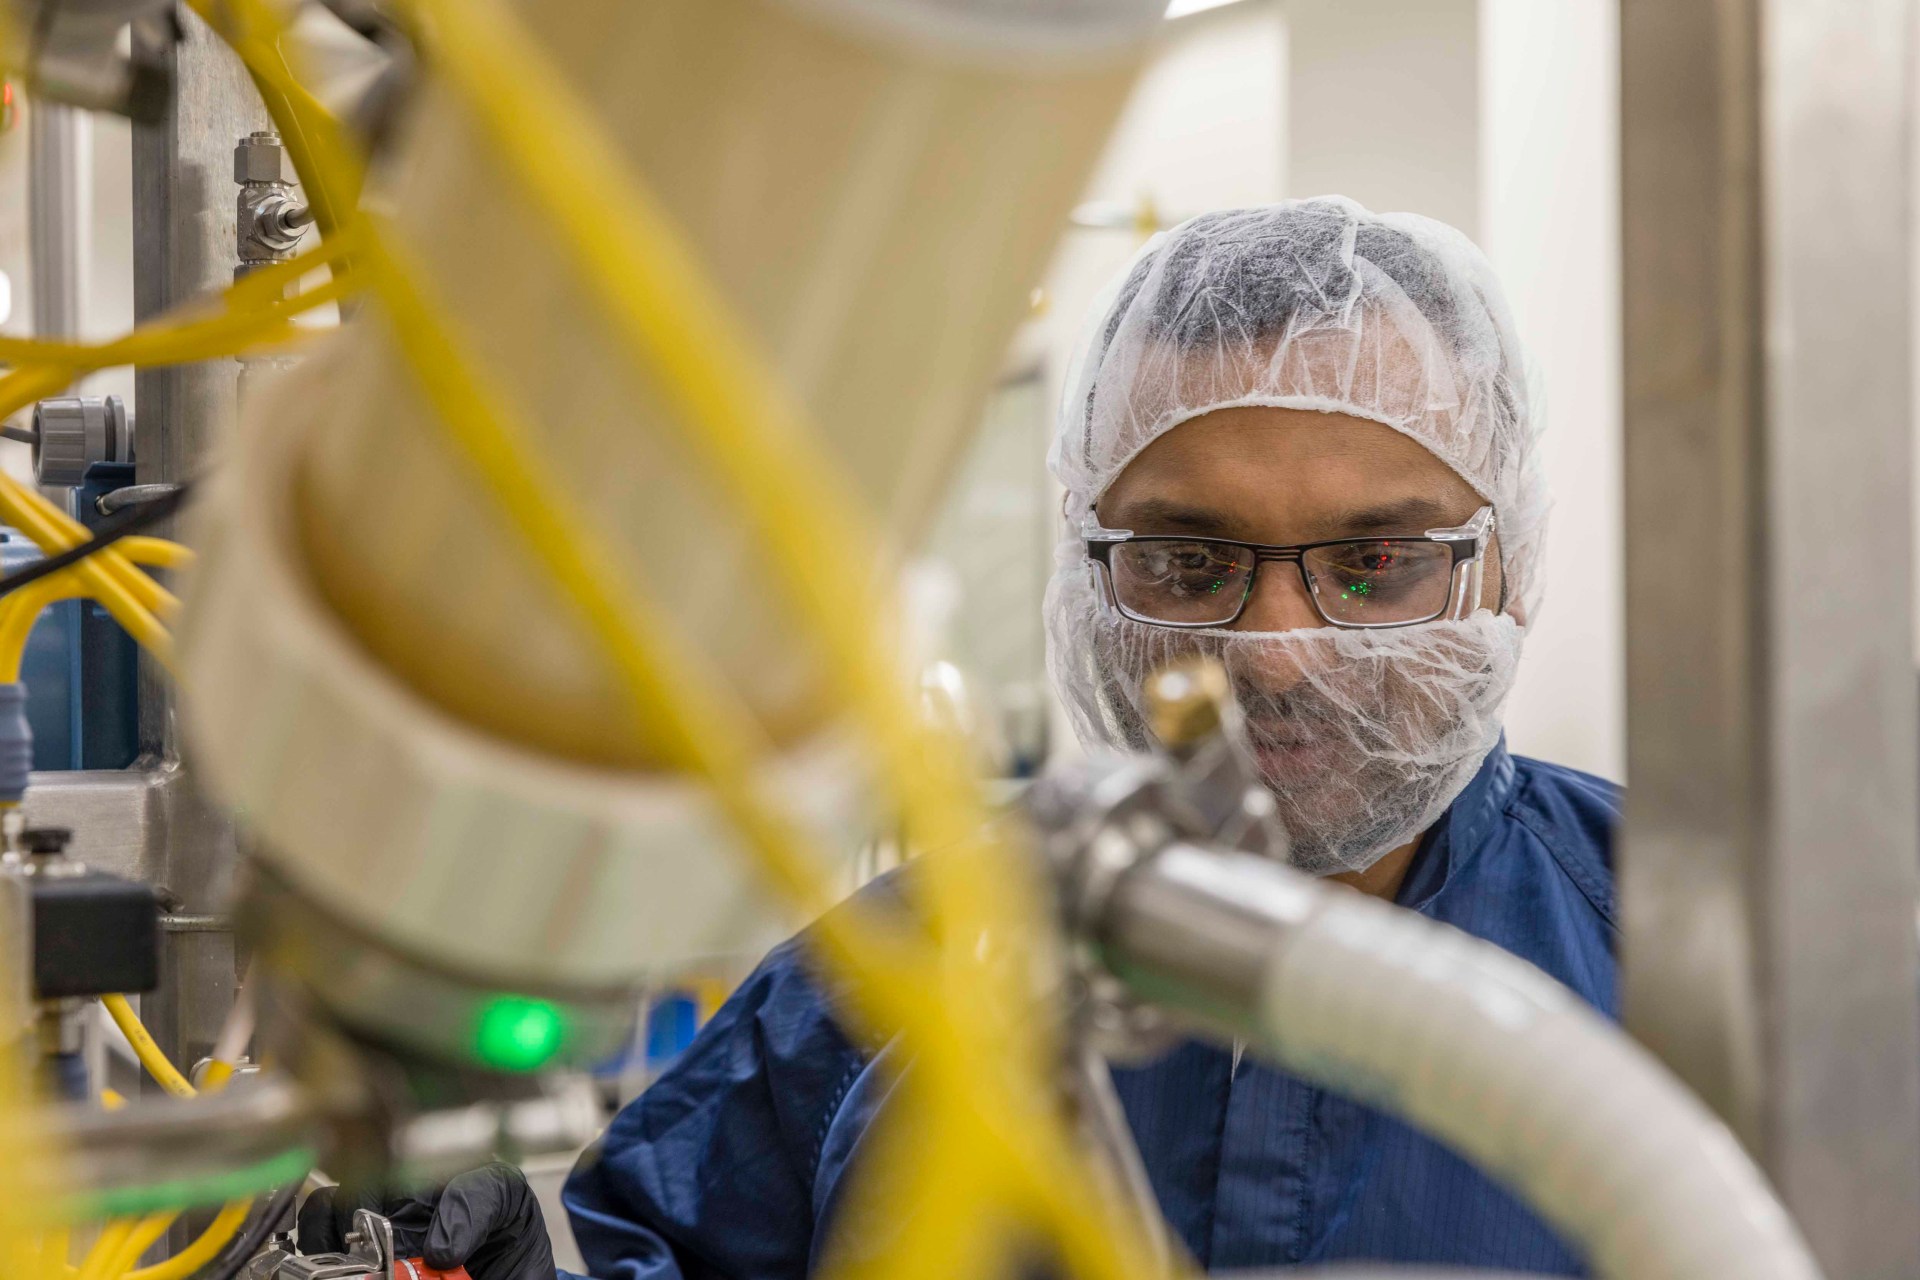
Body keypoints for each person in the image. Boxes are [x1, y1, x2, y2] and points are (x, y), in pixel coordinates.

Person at [356, 196, 1620, 1278]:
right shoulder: (890, 976)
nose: (1275, 652)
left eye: (1377, 561)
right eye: (1185, 561)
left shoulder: (1674, 954)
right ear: (1082, 575)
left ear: (1511, 565)